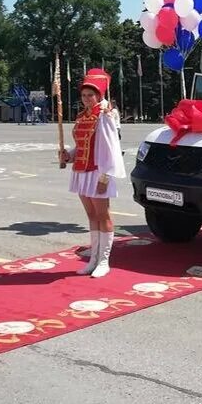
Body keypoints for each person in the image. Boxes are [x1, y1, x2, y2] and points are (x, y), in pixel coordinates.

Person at [58, 68, 126, 278]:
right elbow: (82, 145)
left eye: (91, 95)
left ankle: (104, 261)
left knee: (102, 214)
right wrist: (68, 155)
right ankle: (93, 259)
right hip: (81, 171)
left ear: (99, 95)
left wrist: (105, 177)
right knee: (91, 215)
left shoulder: (104, 116)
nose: (86, 99)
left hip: (98, 172)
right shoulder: (82, 116)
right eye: (84, 95)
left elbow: (110, 148)